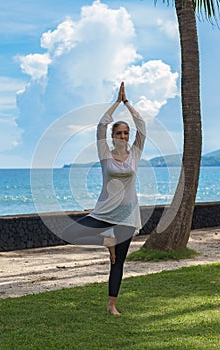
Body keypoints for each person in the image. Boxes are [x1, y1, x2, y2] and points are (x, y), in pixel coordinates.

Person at [61, 82, 146, 315]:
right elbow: (100, 126)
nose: (123, 135)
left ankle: (112, 305)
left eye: (126, 133)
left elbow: (142, 126)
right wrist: (116, 102)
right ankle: (106, 242)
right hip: (105, 212)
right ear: (112, 136)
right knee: (70, 232)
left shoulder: (135, 153)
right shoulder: (105, 154)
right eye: (119, 133)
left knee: (118, 263)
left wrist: (128, 103)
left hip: (127, 215)